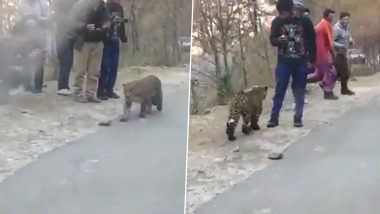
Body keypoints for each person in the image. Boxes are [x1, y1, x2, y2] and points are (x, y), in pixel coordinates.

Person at [267, 0, 316, 128]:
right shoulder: (277, 22)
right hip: (284, 61)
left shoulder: (304, 21)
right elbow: (272, 39)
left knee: (299, 90)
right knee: (280, 89)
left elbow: (312, 40)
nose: (282, 16)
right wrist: (279, 40)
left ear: (291, 10)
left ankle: (298, 117)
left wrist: (312, 59)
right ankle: (274, 117)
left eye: (284, 13)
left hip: (301, 61)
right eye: (280, 13)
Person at [68, 0, 110, 103]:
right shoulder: (80, 5)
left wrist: (105, 26)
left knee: (94, 71)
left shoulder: (102, 6)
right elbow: (71, 22)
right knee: (80, 70)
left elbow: (108, 20)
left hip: (98, 41)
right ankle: (77, 93)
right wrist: (84, 26)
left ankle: (90, 94)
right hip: (83, 42)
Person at [16, 0, 50, 93]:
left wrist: (37, 18)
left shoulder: (42, 4)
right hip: (26, 37)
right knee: (26, 60)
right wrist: (24, 18)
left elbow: (48, 19)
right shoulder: (21, 4)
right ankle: (27, 85)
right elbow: (17, 21)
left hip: (40, 36)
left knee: (39, 61)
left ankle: (38, 86)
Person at [97, 0, 128, 100]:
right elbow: (101, 23)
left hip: (116, 40)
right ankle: (101, 91)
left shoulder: (119, 7)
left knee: (114, 66)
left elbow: (121, 23)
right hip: (106, 40)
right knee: (105, 66)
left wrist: (123, 37)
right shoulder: (104, 7)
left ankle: (109, 90)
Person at [307, 9, 338, 100]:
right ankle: (327, 92)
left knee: (319, 74)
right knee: (331, 72)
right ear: (327, 16)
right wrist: (333, 53)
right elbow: (329, 42)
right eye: (331, 16)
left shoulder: (321, 25)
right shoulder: (325, 25)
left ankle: (299, 79)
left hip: (316, 53)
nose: (332, 18)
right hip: (321, 53)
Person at [54, 0, 78, 96]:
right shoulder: (62, 4)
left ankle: (64, 85)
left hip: (72, 33)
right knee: (65, 60)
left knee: (69, 61)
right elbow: (59, 17)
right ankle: (62, 86)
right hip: (63, 33)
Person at [333, 12, 355, 95]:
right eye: (344, 19)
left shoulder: (347, 27)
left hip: (345, 52)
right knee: (344, 72)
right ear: (340, 19)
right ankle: (344, 89)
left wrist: (351, 40)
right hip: (337, 53)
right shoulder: (336, 29)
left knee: (342, 72)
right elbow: (332, 42)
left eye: (347, 19)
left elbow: (348, 35)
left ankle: (325, 83)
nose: (346, 21)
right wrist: (341, 45)